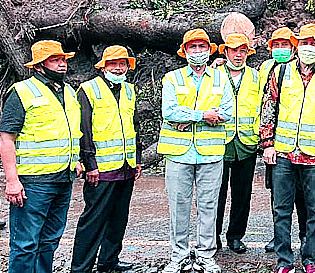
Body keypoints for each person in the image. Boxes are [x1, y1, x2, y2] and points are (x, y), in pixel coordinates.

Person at [259, 23, 315, 273]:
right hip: (283, 154)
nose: (310, 47)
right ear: (298, 45)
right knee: (281, 209)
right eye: (305, 42)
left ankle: (310, 259)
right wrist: (267, 144)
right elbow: (269, 108)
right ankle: (284, 261)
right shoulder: (282, 73)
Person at [0, 40, 83, 273]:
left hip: (63, 180)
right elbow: (6, 138)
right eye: (55, 60)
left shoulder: (68, 91)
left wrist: (74, 159)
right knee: (25, 244)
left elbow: (68, 131)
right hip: (34, 183)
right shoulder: (22, 92)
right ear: (38, 66)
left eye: (63, 60)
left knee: (49, 241)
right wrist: (12, 181)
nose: (61, 64)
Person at [158, 29, 233, 273]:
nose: (198, 51)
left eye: (202, 47)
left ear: (209, 50)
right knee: (178, 206)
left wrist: (187, 118)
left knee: (208, 205)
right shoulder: (172, 78)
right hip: (179, 153)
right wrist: (202, 115)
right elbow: (168, 112)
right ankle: (178, 256)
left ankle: (205, 256)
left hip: (210, 153)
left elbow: (227, 112)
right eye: (193, 47)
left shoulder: (221, 78)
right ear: (185, 51)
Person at [71, 46, 142, 273]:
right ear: (103, 66)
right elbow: (84, 129)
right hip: (101, 170)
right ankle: (81, 267)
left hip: (126, 167)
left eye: (122, 64)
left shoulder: (129, 90)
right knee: (93, 220)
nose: (118, 68)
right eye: (113, 64)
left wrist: (137, 159)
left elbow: (134, 126)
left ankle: (108, 262)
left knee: (118, 218)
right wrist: (90, 164)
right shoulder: (89, 89)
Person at [259, 27, 309, 254]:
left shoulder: (302, 70)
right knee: (278, 195)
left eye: (285, 45)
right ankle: (278, 237)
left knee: (303, 195)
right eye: (276, 45)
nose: (280, 49)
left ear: (293, 47)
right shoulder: (267, 69)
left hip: (303, 145)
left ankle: (305, 236)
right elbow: (265, 105)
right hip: (277, 143)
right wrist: (266, 141)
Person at [215, 34, 260, 253]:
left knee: (242, 194)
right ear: (225, 52)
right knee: (215, 193)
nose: (238, 55)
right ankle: (212, 237)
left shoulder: (256, 77)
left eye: (243, 51)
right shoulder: (214, 75)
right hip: (218, 143)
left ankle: (235, 236)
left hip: (246, 143)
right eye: (234, 50)